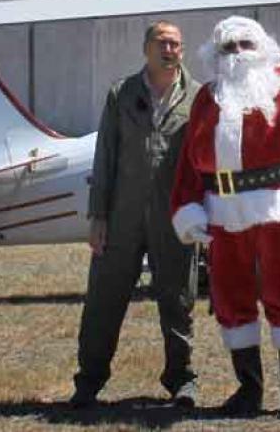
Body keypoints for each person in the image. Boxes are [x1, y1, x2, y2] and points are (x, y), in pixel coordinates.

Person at [170, 0, 280, 419]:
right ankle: (248, 390)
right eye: (229, 48)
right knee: (231, 298)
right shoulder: (207, 99)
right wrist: (188, 209)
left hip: (277, 209)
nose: (238, 55)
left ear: (262, 47)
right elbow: (191, 162)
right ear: (216, 55)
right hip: (224, 215)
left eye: (245, 44)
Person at [70, 20, 201, 409]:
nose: (170, 49)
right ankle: (88, 382)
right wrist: (98, 216)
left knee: (179, 300)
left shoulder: (197, 98)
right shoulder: (121, 94)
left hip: (174, 217)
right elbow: (105, 156)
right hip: (122, 214)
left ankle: (182, 381)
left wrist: (204, 215)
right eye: (162, 42)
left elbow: (204, 161)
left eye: (176, 43)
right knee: (104, 301)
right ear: (146, 48)